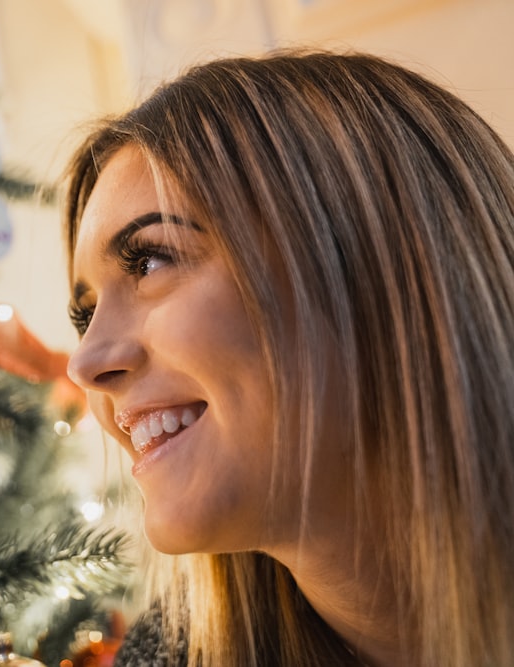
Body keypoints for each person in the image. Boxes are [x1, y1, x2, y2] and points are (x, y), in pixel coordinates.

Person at [62, 50, 514, 667]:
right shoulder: (170, 655)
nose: (85, 363)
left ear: (380, 261)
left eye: (151, 261)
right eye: (84, 315)